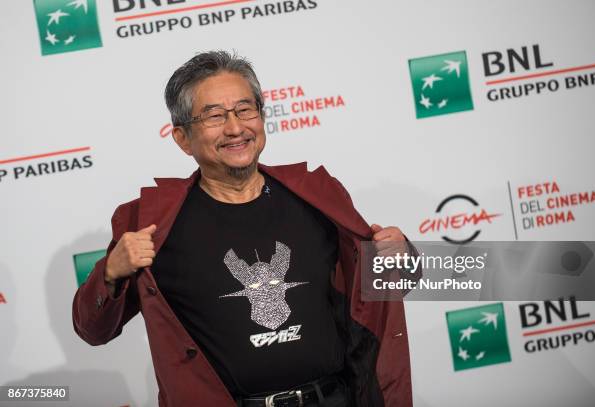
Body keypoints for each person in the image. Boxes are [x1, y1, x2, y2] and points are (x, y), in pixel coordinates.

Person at [73, 51, 420, 407]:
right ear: (182, 138)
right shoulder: (151, 223)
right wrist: (111, 274)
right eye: (214, 116)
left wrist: (403, 256)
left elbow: (382, 291)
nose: (235, 128)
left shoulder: (319, 195)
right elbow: (93, 330)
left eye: (244, 110)